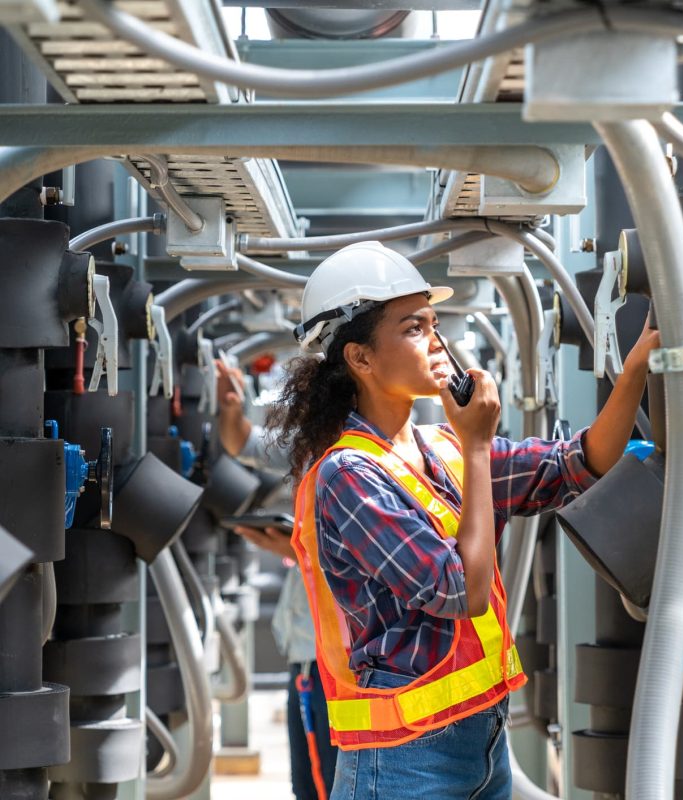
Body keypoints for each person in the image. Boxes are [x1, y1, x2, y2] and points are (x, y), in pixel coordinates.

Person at [265, 241, 660, 800]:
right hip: (404, 764)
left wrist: (638, 366)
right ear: (360, 358)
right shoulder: (348, 476)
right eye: (413, 328)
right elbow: (461, 591)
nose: (436, 342)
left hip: (483, 742)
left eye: (433, 323)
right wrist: (478, 445)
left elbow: (581, 461)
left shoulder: (440, 448)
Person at [216, 361, 338, 800]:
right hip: (307, 655)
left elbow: (367, 560)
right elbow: (242, 441)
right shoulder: (313, 449)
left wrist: (294, 550)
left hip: (330, 661)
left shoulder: (360, 462)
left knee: (322, 786)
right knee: (311, 782)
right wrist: (230, 408)